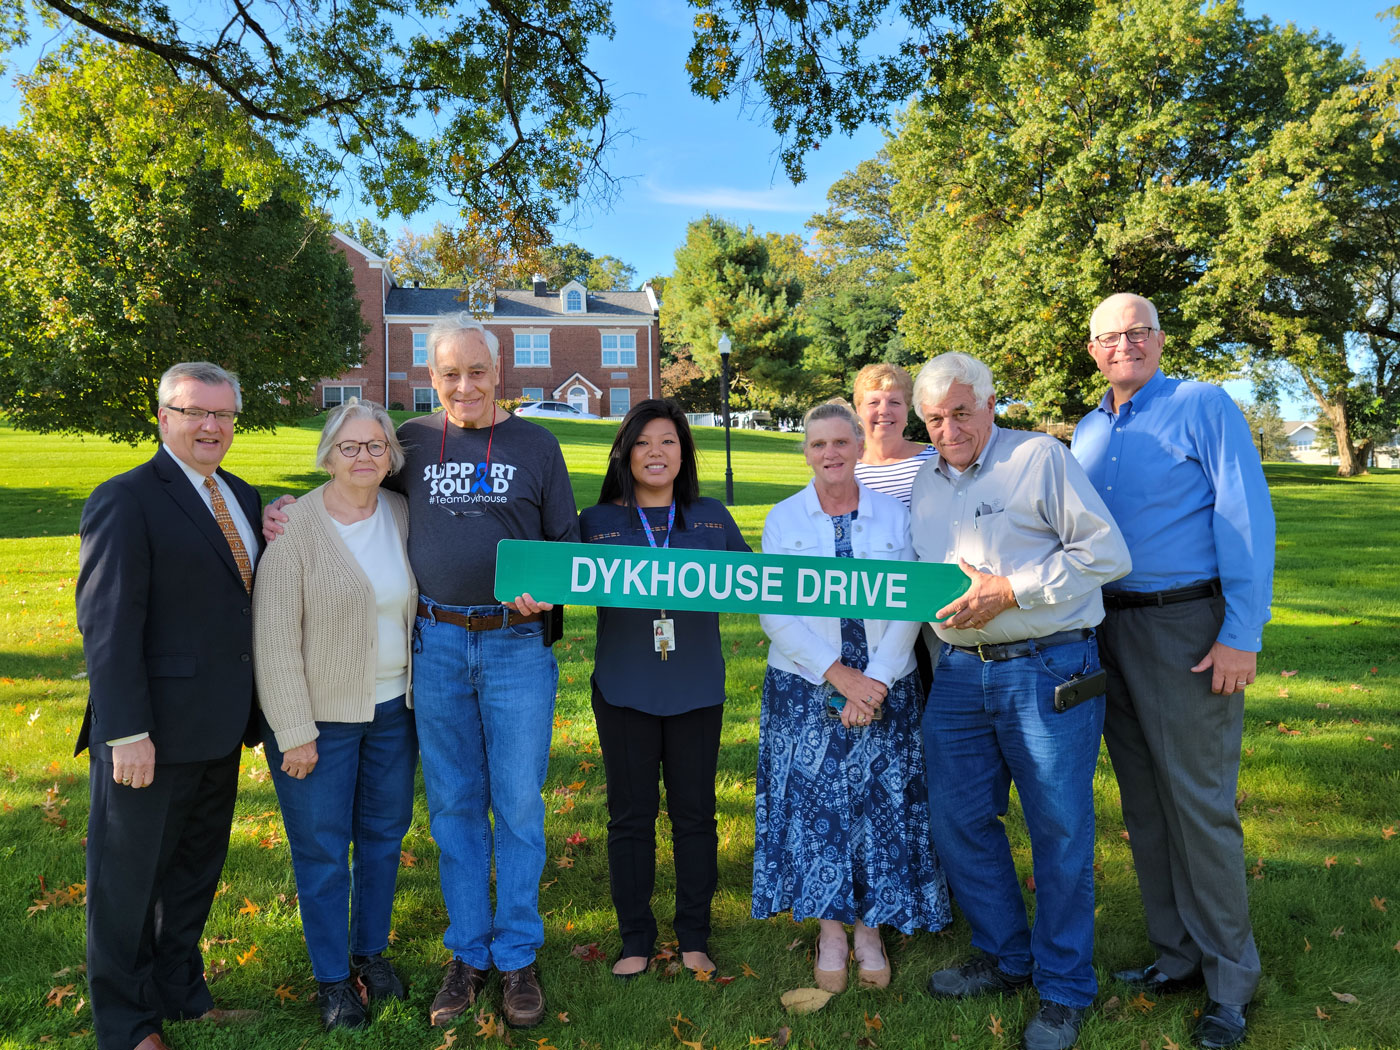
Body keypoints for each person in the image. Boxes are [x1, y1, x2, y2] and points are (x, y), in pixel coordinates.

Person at [264, 313, 578, 1030]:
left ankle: (518, 955)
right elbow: (351, 483)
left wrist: (549, 591)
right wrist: (281, 511)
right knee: (455, 809)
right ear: (430, 378)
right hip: (433, 645)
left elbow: (565, 547)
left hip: (515, 646)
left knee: (520, 808)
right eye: (449, 373)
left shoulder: (538, 444)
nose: (463, 385)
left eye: (476, 371)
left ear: (498, 374)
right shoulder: (407, 440)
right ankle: (469, 953)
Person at [910, 353, 1130, 1050]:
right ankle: (1006, 955)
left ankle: (1064, 988)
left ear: (991, 403)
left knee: (1059, 830)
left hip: (1046, 664)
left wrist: (1009, 590)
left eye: (962, 413)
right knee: (958, 820)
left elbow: (1107, 553)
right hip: (958, 672)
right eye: (936, 418)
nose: (950, 429)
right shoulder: (923, 479)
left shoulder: (1040, 458)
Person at [1072, 293, 1275, 1050]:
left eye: (1137, 332)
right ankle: (1176, 956)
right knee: (1146, 806)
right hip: (1107, 630)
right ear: (1092, 349)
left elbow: (1244, 516)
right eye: (1108, 336)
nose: (1123, 344)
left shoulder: (1203, 405)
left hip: (1188, 626)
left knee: (1198, 805)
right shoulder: (1086, 431)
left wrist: (1240, 633)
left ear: (1159, 339)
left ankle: (1230, 981)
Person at [76, 362, 262, 1050]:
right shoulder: (126, 498)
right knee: (126, 887)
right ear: (163, 417)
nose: (210, 426)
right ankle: (125, 1025)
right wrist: (125, 730)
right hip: (147, 733)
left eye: (223, 415)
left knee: (191, 874)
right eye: (194, 413)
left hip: (220, 726)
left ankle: (181, 993)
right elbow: (108, 621)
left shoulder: (240, 494)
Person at [753, 400, 951, 994]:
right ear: (806, 452)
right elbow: (775, 611)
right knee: (818, 808)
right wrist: (838, 675)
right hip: (806, 684)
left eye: (842, 443)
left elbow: (911, 604)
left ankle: (872, 927)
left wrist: (878, 681)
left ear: (859, 448)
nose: (831, 454)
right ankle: (832, 929)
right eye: (818, 445)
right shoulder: (783, 519)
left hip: (888, 682)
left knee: (879, 805)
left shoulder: (896, 517)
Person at [252, 398, 418, 1030]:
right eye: (349, 446)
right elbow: (273, 639)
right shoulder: (295, 526)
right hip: (319, 720)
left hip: (393, 710)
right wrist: (294, 731)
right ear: (327, 454)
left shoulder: (401, 514)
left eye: (376, 446)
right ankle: (331, 980)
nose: (364, 457)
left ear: (391, 456)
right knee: (322, 850)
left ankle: (370, 955)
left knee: (382, 839)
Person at [576, 399, 750, 979]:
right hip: (625, 688)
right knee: (631, 816)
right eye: (644, 441)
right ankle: (635, 939)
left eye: (669, 441)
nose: (656, 452)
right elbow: (551, 579)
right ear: (625, 451)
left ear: (685, 453)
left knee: (696, 816)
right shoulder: (595, 522)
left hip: (697, 688)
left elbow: (763, 585)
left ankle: (694, 935)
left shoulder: (711, 517)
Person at [852, 362, 937, 507]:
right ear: (858, 410)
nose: (884, 410)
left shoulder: (935, 462)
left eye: (895, 402)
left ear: (907, 409)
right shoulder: (845, 468)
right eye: (874, 402)